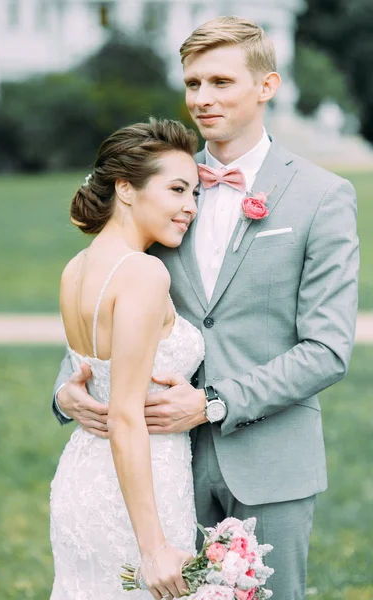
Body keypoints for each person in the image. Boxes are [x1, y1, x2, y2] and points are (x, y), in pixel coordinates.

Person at [53, 17, 359, 600]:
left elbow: (326, 350)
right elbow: (109, 292)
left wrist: (215, 403)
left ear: (266, 86)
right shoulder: (165, 185)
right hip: (169, 469)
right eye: (193, 83)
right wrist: (68, 385)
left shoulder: (323, 197)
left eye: (220, 82)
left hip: (271, 466)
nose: (202, 99)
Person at [49, 118, 205, 600]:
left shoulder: (77, 267)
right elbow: (125, 414)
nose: (190, 208)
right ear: (126, 189)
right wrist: (155, 547)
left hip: (83, 477)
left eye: (195, 193)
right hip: (138, 494)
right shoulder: (143, 274)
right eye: (177, 189)